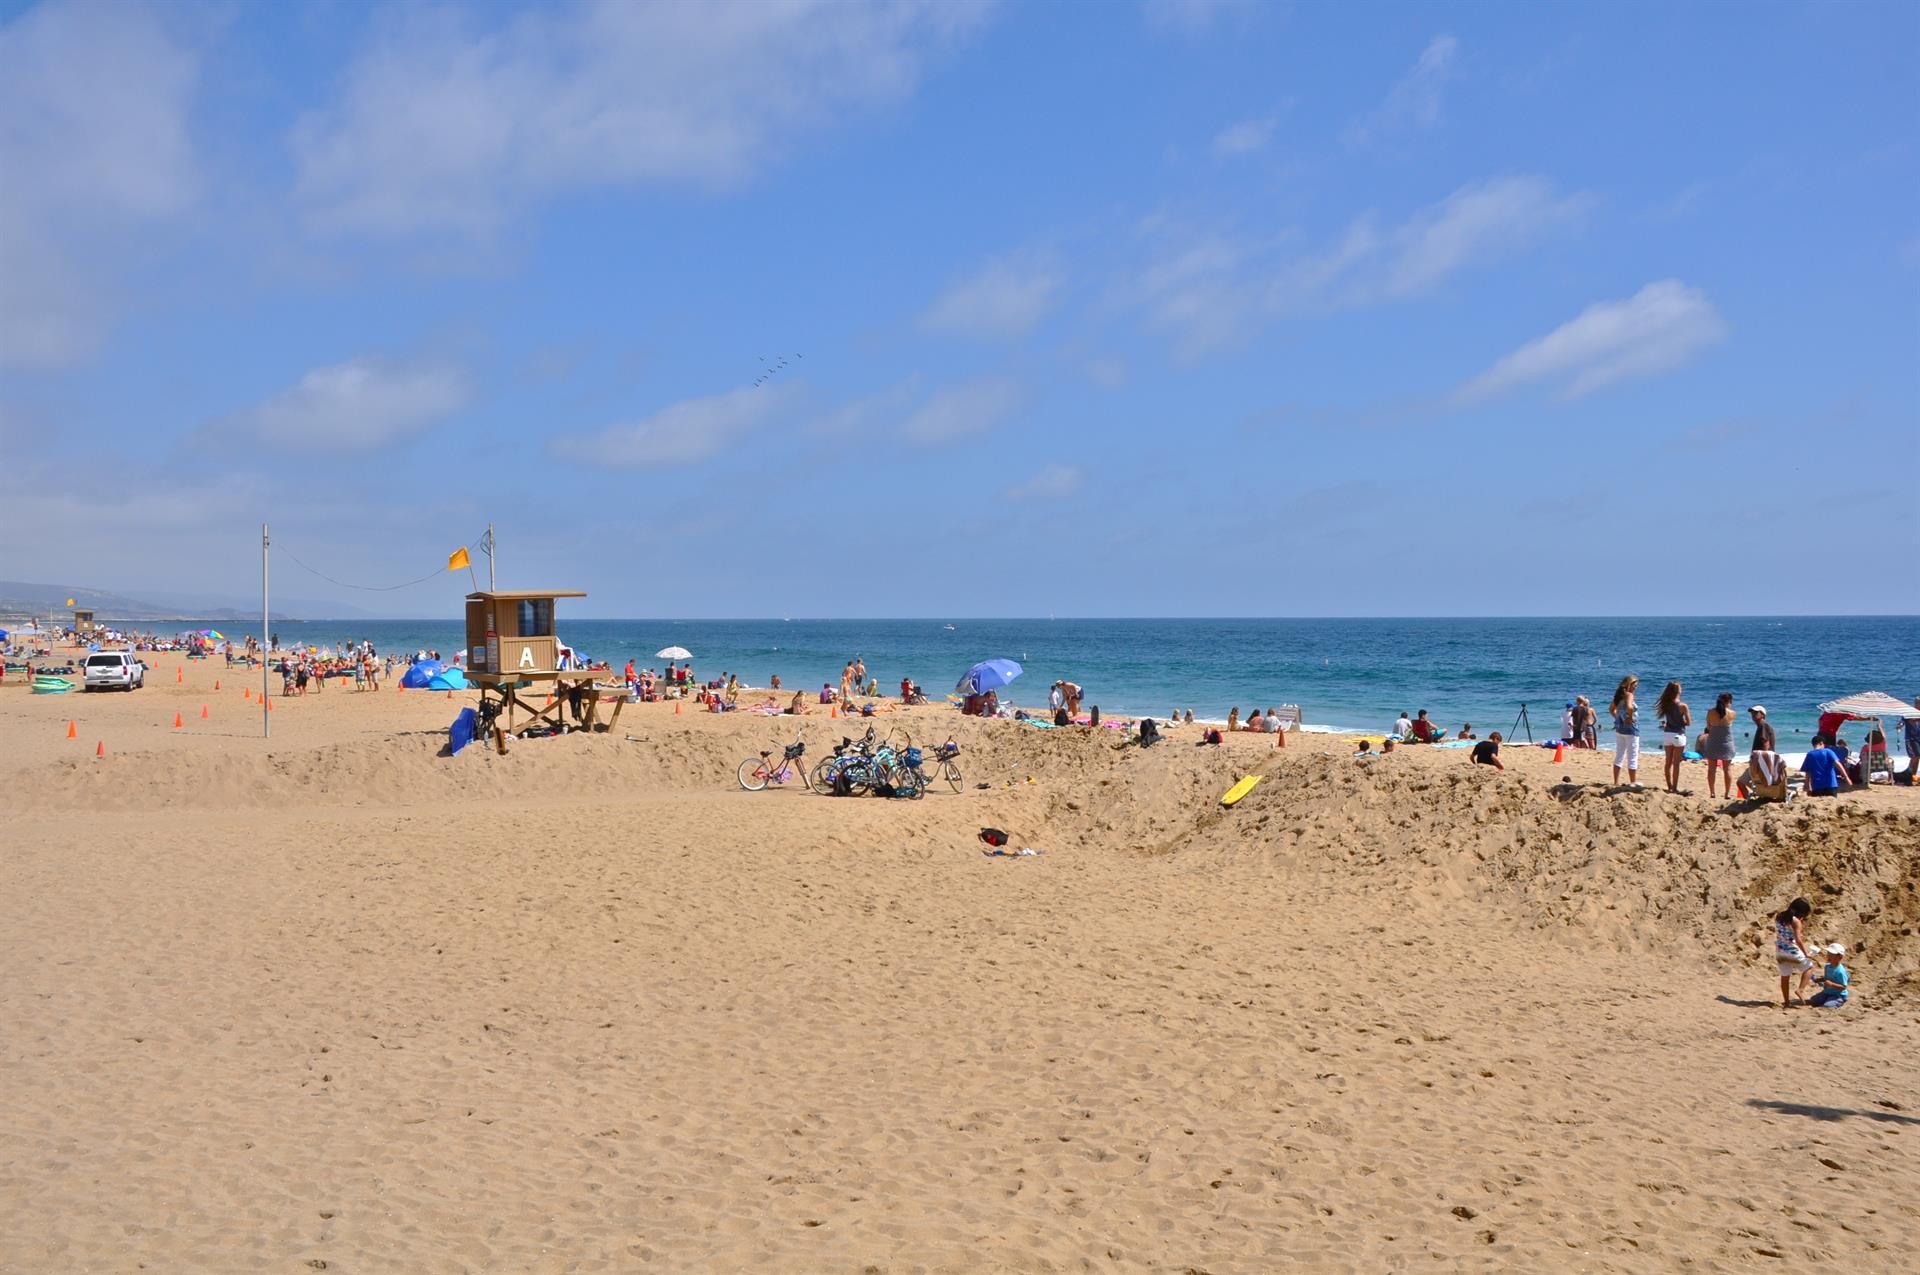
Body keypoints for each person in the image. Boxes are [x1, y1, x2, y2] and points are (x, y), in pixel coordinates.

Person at [1774, 898, 1817, 1007]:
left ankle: (1786, 1002)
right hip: (1792, 951)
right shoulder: (1796, 921)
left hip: (1780, 952)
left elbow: (1785, 931)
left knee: (1785, 977)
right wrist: (1806, 953)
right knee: (1809, 968)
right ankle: (1800, 990)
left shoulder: (1779, 916)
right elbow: (1798, 940)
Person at [1656, 681, 1690, 794]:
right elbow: (1688, 722)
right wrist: (1681, 721)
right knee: (1676, 764)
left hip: (1668, 734)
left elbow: (1666, 720)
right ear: (1678, 691)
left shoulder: (1666, 704)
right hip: (1679, 734)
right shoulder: (1683, 706)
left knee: (1668, 762)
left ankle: (1669, 785)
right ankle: (1674, 788)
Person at [1702, 692, 1738, 798]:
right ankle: (1727, 794)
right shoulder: (1732, 713)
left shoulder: (1710, 712)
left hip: (1713, 742)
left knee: (1711, 769)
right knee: (1727, 769)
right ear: (1729, 701)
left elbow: (1708, 727)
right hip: (1727, 743)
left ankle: (1712, 793)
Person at [1611, 675, 1641, 786]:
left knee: (1619, 755)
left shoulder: (1619, 696)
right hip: (1631, 729)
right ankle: (1633, 782)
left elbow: (1611, 709)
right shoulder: (1629, 695)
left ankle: (1616, 782)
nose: (1635, 688)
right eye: (1634, 686)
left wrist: (1618, 718)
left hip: (1620, 729)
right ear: (1629, 685)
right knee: (1632, 756)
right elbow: (1630, 707)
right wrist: (1629, 717)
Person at [1809, 943, 1850, 1008]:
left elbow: (1843, 987)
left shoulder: (1840, 971)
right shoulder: (1827, 966)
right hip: (1827, 992)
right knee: (1813, 1000)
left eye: (1831, 954)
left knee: (1827, 1006)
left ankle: (1841, 1000)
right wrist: (1818, 979)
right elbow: (1827, 978)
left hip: (1838, 994)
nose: (1828, 955)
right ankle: (1827, 998)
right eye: (1828, 953)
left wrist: (1831, 984)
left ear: (1839, 957)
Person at [1906, 697, 1920, 782]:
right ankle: (1908, 776)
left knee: (1917, 757)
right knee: (1915, 757)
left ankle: (1913, 776)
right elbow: (1911, 721)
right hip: (1911, 738)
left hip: (1918, 738)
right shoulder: (1910, 712)